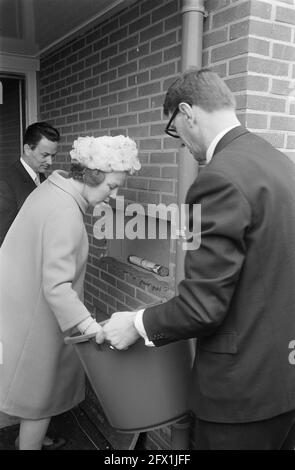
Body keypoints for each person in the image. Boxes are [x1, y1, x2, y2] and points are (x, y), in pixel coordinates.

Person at [97, 68, 295, 450]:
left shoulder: (218, 178)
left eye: (173, 130)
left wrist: (137, 323)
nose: (180, 144)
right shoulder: (282, 165)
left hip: (240, 399)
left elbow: (203, 307)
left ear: (187, 113)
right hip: (285, 385)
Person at [0, 135, 140, 450]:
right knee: (39, 398)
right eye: (112, 187)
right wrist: (92, 328)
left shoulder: (50, 189)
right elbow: (57, 286)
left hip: (18, 308)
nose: (112, 196)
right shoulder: (65, 211)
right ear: (91, 176)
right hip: (35, 318)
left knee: (29, 394)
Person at [0, 121, 60, 246]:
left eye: (53, 156)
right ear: (27, 149)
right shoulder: (5, 183)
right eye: (45, 155)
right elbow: (3, 237)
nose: (50, 162)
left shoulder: (42, 177)